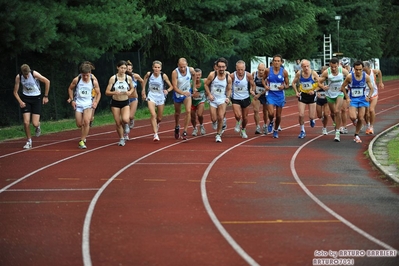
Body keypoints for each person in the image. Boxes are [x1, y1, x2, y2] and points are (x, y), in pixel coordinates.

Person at [13, 64, 50, 149]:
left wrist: (46, 96)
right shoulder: (18, 77)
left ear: (29, 71)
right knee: (26, 122)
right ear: (22, 73)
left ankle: (38, 126)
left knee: (35, 123)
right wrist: (20, 101)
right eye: (24, 75)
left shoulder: (34, 74)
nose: (26, 76)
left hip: (36, 99)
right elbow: (15, 92)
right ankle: (29, 141)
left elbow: (47, 81)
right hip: (26, 99)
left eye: (27, 74)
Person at [67, 63, 101, 149]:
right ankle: (84, 132)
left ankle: (82, 140)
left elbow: (98, 93)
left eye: (87, 75)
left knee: (86, 122)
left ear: (90, 73)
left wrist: (95, 102)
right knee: (79, 124)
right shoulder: (77, 80)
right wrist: (72, 100)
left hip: (88, 104)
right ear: (80, 73)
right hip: (79, 103)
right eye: (83, 75)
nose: (85, 77)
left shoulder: (93, 81)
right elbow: (70, 89)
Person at [341, 61, 374, 143]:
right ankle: (355, 122)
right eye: (356, 69)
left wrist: (368, 97)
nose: (358, 71)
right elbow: (342, 87)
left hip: (362, 99)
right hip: (353, 99)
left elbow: (371, 88)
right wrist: (347, 97)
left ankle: (356, 135)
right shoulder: (349, 77)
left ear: (362, 69)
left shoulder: (366, 77)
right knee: (353, 117)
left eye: (360, 69)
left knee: (360, 117)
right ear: (353, 69)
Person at [318, 57, 350, 142]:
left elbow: (350, 77)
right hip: (330, 94)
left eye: (335, 67)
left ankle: (337, 132)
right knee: (332, 113)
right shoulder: (326, 72)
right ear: (330, 66)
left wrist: (346, 86)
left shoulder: (342, 70)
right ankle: (336, 124)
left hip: (339, 93)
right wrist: (322, 86)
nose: (333, 69)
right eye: (332, 67)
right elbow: (319, 81)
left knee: (337, 111)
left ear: (338, 65)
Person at [105, 60, 135, 146]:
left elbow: (132, 88)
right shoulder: (113, 78)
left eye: (125, 68)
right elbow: (107, 92)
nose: (123, 70)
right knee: (118, 122)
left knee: (125, 119)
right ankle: (122, 138)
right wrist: (114, 92)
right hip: (115, 102)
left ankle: (126, 124)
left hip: (125, 101)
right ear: (117, 68)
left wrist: (130, 92)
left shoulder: (128, 78)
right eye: (121, 68)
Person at [141, 60, 173, 141]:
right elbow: (144, 80)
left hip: (160, 97)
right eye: (155, 67)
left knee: (159, 118)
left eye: (158, 67)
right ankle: (155, 134)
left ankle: (157, 124)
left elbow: (171, 86)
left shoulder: (163, 76)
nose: (156, 69)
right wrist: (143, 90)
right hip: (151, 96)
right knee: (153, 114)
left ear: (161, 68)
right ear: (152, 67)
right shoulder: (149, 74)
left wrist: (167, 90)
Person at [204, 57, 232, 143]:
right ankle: (214, 122)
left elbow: (229, 89)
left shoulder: (228, 77)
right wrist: (209, 94)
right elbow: (205, 85)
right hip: (213, 99)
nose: (221, 69)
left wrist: (228, 97)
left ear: (226, 67)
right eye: (219, 67)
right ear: (216, 67)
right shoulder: (212, 75)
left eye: (223, 67)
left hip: (222, 99)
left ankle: (218, 134)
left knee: (220, 117)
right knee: (214, 118)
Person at [262, 54, 289, 138]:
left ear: (281, 62)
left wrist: (283, 87)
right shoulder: (267, 70)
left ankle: (276, 130)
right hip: (270, 94)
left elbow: (288, 84)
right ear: (272, 62)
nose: (276, 63)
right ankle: (271, 122)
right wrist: (265, 86)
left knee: (278, 115)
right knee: (270, 113)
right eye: (275, 61)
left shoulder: (284, 72)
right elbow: (263, 79)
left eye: (278, 61)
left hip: (280, 95)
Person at [292, 59, 319, 139]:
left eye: (308, 66)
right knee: (301, 114)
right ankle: (302, 130)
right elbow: (293, 83)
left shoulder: (313, 73)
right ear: (301, 67)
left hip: (311, 96)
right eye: (304, 66)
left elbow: (321, 83)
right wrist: (296, 92)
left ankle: (312, 119)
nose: (306, 68)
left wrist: (314, 91)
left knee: (311, 116)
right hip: (303, 95)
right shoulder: (299, 74)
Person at [171, 58, 196, 140]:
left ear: (187, 65)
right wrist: (182, 93)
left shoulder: (190, 70)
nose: (182, 69)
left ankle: (185, 131)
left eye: (184, 67)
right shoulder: (175, 72)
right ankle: (177, 126)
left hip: (187, 93)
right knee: (177, 113)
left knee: (188, 111)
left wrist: (194, 87)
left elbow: (194, 75)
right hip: (178, 94)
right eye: (181, 67)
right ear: (178, 65)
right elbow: (174, 87)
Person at [230, 60, 256, 138]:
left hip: (245, 97)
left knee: (245, 118)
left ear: (244, 68)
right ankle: (238, 121)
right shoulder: (232, 76)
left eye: (242, 69)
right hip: (235, 98)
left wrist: (252, 90)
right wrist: (229, 92)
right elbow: (228, 85)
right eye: (238, 69)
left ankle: (243, 129)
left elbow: (253, 85)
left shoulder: (248, 75)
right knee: (238, 115)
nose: (240, 71)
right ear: (236, 68)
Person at [363, 61, 384, 134]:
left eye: (365, 69)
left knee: (371, 110)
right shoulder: (361, 73)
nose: (363, 70)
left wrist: (380, 82)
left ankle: (371, 127)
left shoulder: (373, 71)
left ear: (368, 67)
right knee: (366, 113)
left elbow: (379, 72)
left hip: (374, 93)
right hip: (365, 94)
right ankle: (368, 125)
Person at [125, 60, 144, 140]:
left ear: (132, 70)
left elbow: (142, 81)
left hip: (134, 98)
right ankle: (126, 134)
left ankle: (132, 120)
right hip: (125, 99)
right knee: (125, 118)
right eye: (127, 69)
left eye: (130, 69)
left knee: (130, 116)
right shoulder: (121, 77)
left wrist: (143, 91)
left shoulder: (135, 76)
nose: (128, 71)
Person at [252, 63, 268, 134]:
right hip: (257, 95)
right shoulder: (254, 74)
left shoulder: (267, 76)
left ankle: (265, 125)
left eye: (262, 70)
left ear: (265, 69)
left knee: (265, 111)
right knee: (255, 110)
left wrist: (259, 94)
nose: (261, 72)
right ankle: (257, 126)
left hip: (265, 95)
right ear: (257, 69)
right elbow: (252, 84)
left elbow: (267, 88)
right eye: (259, 70)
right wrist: (251, 90)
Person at [191, 68, 207, 136]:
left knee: (200, 114)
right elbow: (185, 92)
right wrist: (192, 95)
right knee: (192, 117)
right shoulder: (190, 83)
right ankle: (195, 128)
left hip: (201, 100)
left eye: (199, 75)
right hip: (191, 102)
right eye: (196, 75)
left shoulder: (204, 81)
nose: (197, 77)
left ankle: (201, 125)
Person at [316, 66, 330, 135]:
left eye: (325, 70)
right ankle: (322, 118)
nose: (324, 71)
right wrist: (316, 91)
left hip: (327, 98)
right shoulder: (318, 78)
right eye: (323, 70)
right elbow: (315, 86)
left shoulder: (330, 78)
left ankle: (324, 128)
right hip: (319, 98)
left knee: (326, 114)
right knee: (319, 115)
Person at [339, 57, 352, 134]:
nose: (344, 68)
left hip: (349, 91)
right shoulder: (339, 70)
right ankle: (342, 126)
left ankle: (346, 125)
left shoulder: (353, 70)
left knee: (347, 110)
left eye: (346, 66)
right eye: (343, 66)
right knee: (341, 110)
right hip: (340, 91)